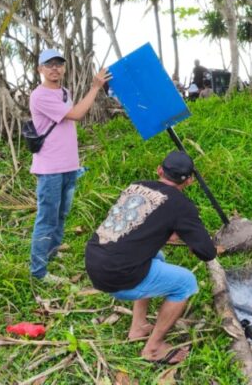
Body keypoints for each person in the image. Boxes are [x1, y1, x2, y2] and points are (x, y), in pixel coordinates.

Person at [85, 151, 218, 364]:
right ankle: (153, 348)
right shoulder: (181, 205)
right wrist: (196, 242)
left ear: (159, 170)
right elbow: (207, 252)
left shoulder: (136, 186)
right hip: (118, 275)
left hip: (94, 259)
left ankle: (138, 327)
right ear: (190, 180)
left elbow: (142, 224)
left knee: (158, 255)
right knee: (186, 283)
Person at [29, 48, 111, 283]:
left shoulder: (65, 91)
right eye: (49, 65)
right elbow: (75, 115)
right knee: (47, 218)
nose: (54, 68)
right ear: (40, 70)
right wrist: (95, 87)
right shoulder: (39, 95)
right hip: (50, 169)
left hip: (69, 166)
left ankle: (50, 255)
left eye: (58, 64)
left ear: (64, 67)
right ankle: (39, 271)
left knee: (61, 215)